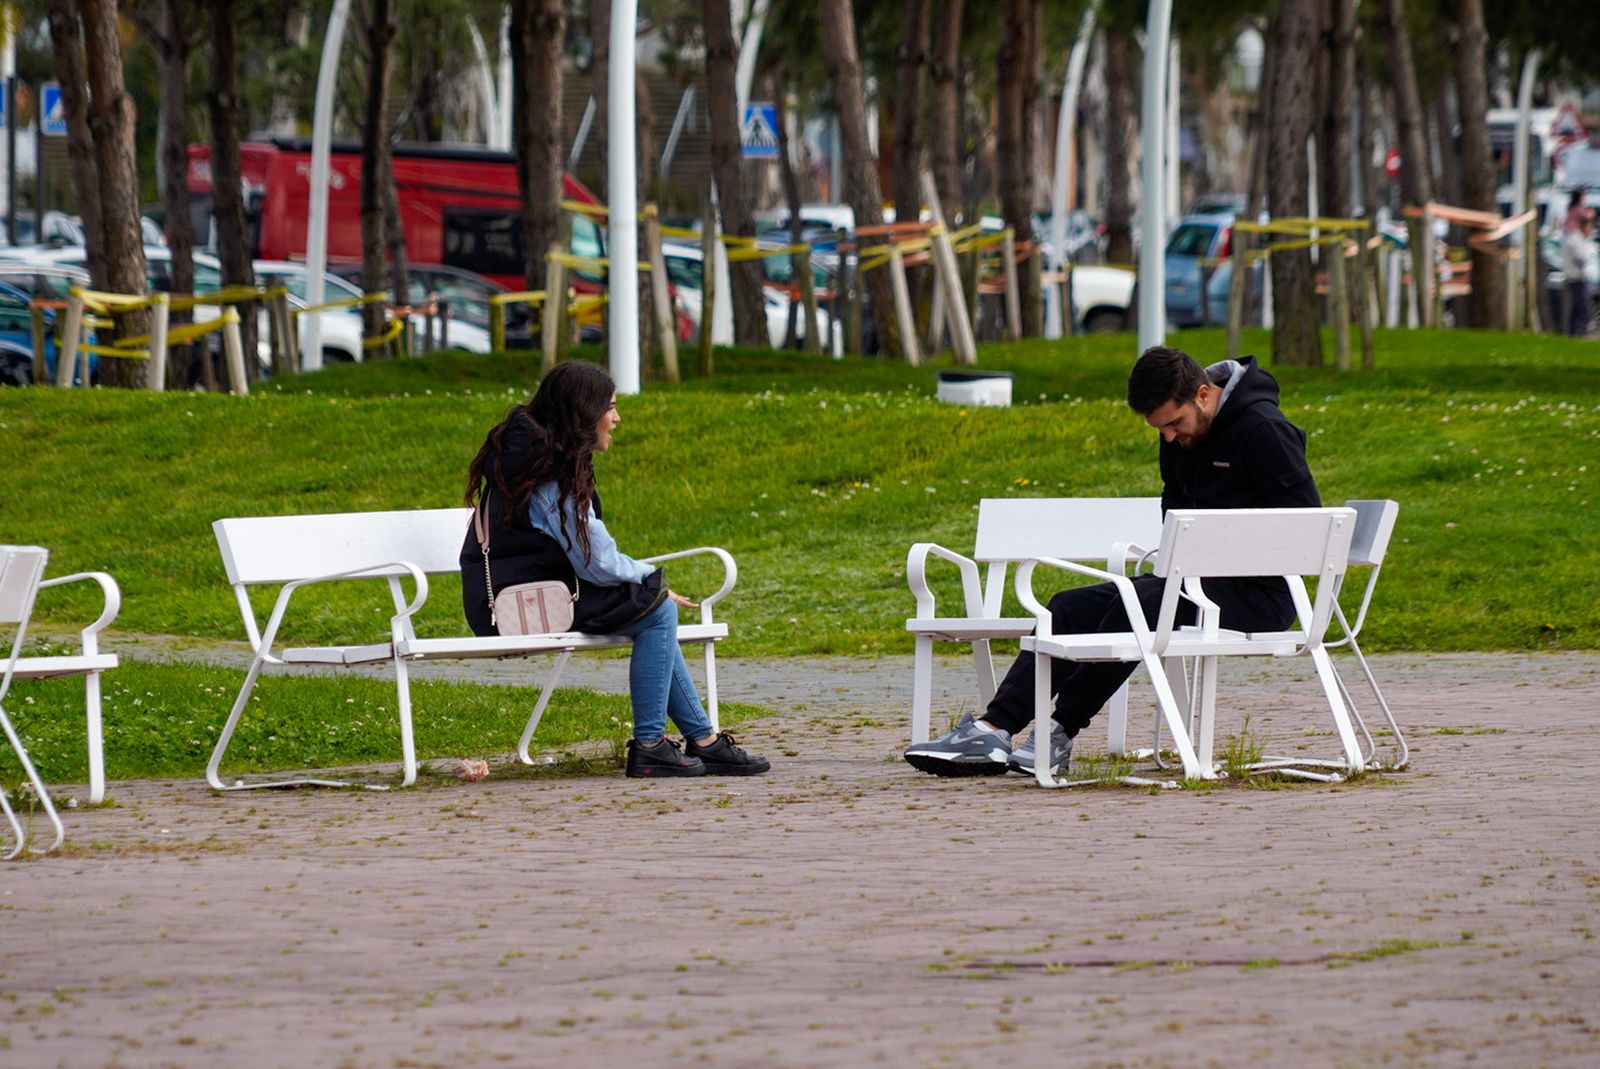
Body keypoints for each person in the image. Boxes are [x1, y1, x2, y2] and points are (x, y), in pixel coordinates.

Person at [904, 346, 1321, 778]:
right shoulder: (1178, 437)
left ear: (1203, 394)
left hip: (1263, 596)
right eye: (1159, 429)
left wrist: (1213, 554)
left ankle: (1057, 733)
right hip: (1194, 584)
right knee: (1066, 607)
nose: (1169, 438)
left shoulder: (1265, 430)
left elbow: (1307, 529)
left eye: (1174, 424)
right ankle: (993, 730)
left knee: (1139, 602)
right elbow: (1175, 512)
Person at [463, 360, 770, 779]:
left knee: (654, 608)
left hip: (530, 593)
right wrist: (648, 577)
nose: (617, 417)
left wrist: (647, 584)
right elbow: (597, 562)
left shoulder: (536, 459)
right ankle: (651, 745)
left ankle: (703, 741)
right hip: (518, 606)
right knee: (656, 609)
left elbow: (588, 558)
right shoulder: (551, 474)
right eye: (609, 407)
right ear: (583, 413)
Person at [1560, 202, 1596, 338]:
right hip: (1576, 279)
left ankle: (1576, 334)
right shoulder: (1575, 239)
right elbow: (1582, 258)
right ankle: (1578, 334)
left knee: (1579, 311)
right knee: (1582, 311)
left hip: (1580, 279)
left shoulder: (1579, 239)